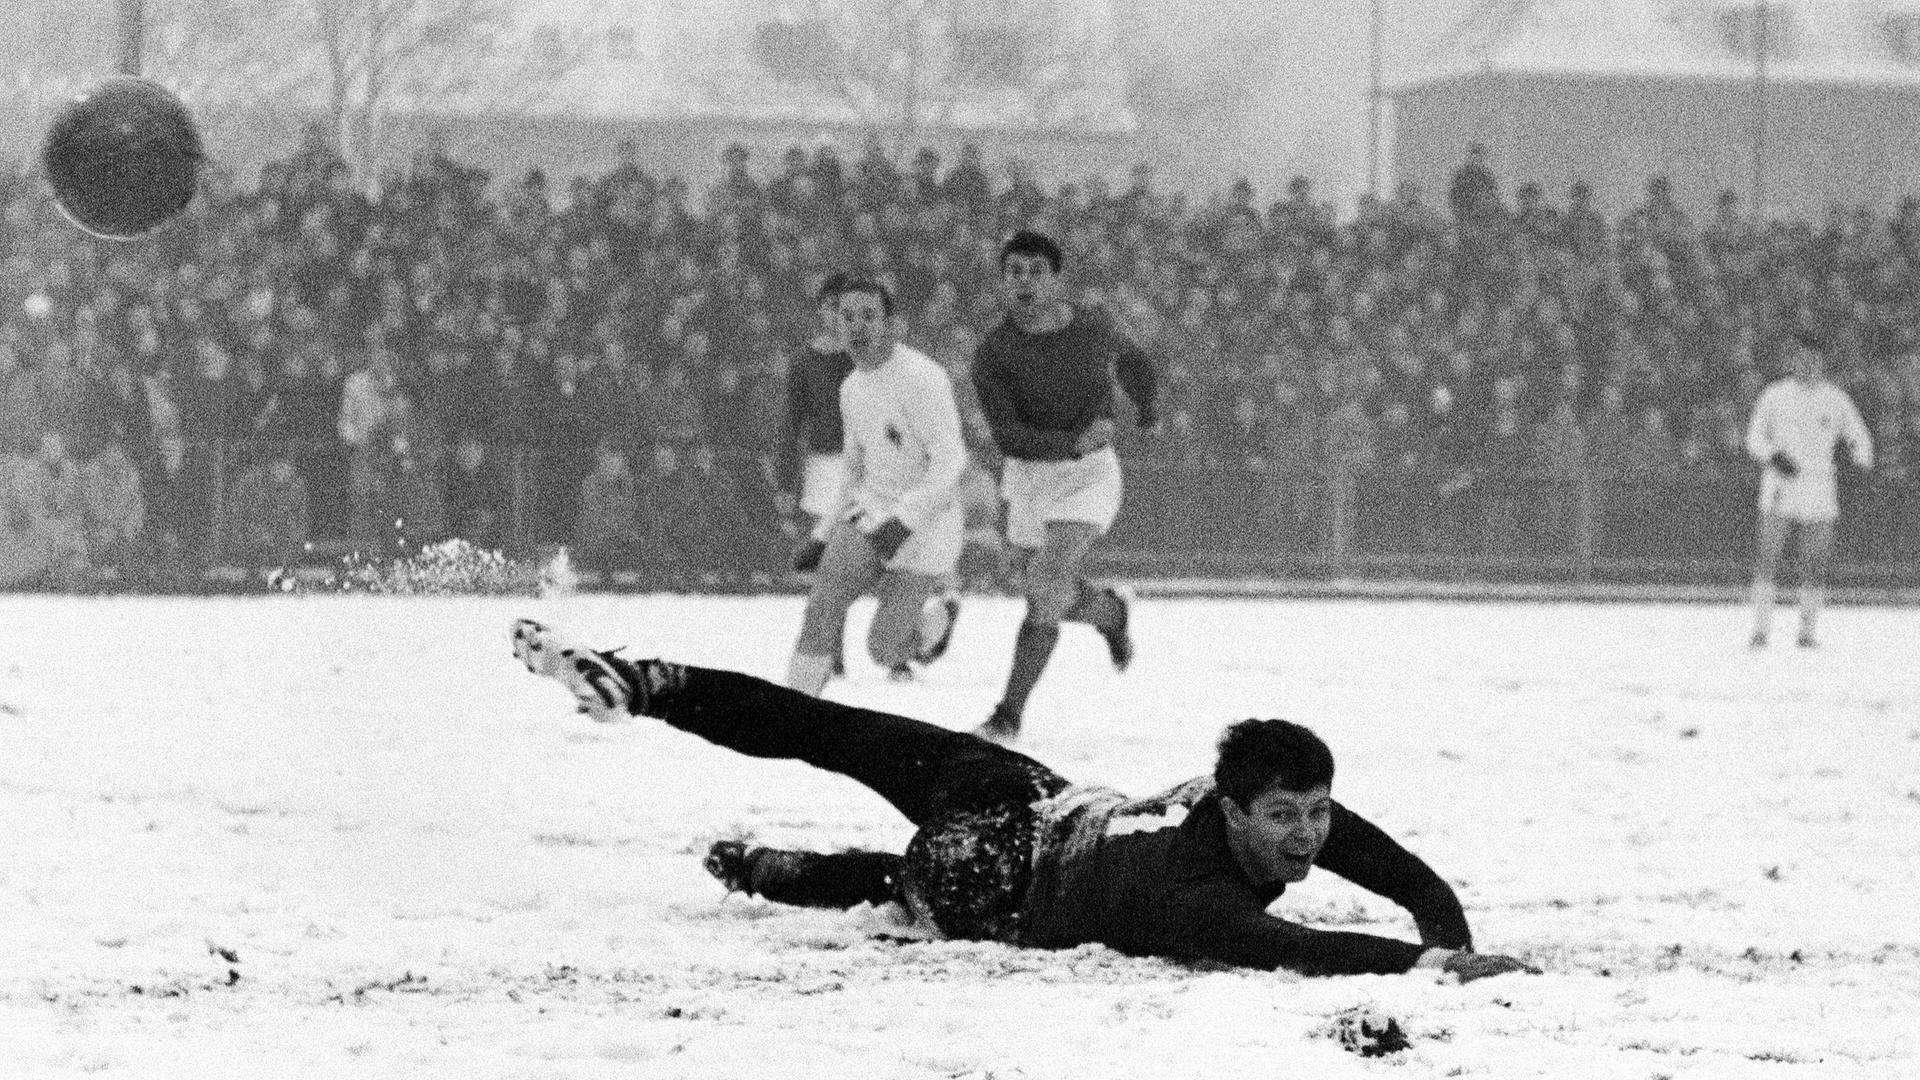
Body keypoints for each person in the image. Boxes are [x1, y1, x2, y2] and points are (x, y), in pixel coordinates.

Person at [508, 618, 1540, 982]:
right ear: (1232, 810)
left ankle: (668, 709)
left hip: (1027, 795)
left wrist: (1444, 926)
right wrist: (1438, 961)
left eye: (1316, 814)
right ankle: (678, 737)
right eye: (1287, 819)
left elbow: (1398, 872)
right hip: (1002, 862)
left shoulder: (1275, 807)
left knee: (845, 759)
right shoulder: (1196, 903)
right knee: (896, 872)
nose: (1308, 835)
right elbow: (1305, 952)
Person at [970, 231, 1158, 742]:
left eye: (1036, 272)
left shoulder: (1095, 329)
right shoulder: (992, 352)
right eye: (1014, 273)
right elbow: (1010, 437)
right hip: (1031, 476)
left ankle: (1007, 715)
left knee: (1046, 585)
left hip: (1090, 476)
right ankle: (1111, 613)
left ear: (1056, 280)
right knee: (1045, 590)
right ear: (1003, 280)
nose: (1024, 283)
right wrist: (1073, 441)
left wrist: (1146, 411)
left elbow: (1136, 363)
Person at [784, 278, 965, 693]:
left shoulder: (923, 378)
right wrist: (822, 533)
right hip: (873, 510)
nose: (858, 326)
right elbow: (854, 469)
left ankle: (937, 620)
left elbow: (951, 461)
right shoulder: (851, 388)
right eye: (848, 317)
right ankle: (794, 711)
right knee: (823, 603)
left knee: (884, 649)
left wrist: (903, 521)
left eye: (869, 316)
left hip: (928, 528)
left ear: (891, 324)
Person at [1743, 332, 1874, 649]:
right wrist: (1773, 456)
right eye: (1801, 358)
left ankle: (1807, 632)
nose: (1807, 365)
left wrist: (1860, 460)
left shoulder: (1836, 399)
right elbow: (1754, 439)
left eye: (1813, 359)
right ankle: (1761, 630)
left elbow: (1860, 439)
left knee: (1815, 563)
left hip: (1818, 486)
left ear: (1822, 363)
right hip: (1781, 483)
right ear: (1792, 360)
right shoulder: (1775, 395)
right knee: (1767, 556)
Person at [784, 274, 856, 574]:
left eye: (841, 306)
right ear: (820, 310)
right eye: (830, 306)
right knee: (823, 540)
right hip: (824, 459)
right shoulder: (805, 361)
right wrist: (786, 480)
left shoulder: (864, 355)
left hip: (866, 459)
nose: (835, 313)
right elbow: (791, 422)